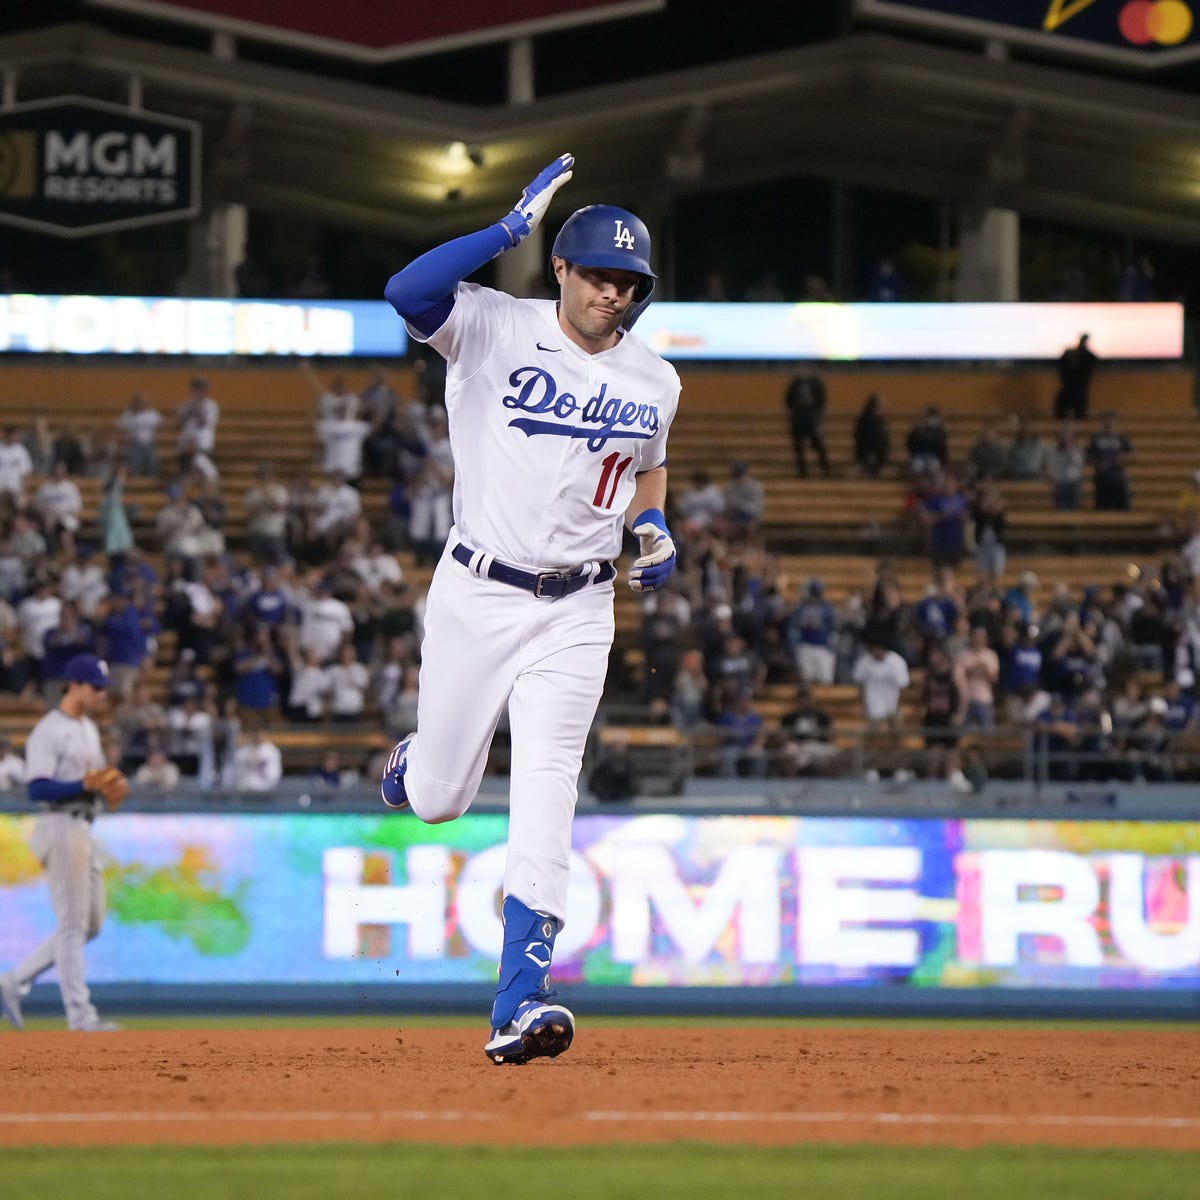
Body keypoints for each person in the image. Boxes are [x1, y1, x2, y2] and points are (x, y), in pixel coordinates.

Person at [378, 153, 679, 1065]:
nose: (612, 295)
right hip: (477, 589)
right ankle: (416, 762)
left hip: (580, 606)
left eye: (628, 282)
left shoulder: (655, 379)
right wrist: (507, 229)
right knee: (437, 802)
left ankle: (521, 998)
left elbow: (648, 462)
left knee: (549, 787)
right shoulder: (489, 324)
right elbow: (405, 288)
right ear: (560, 269)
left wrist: (654, 523)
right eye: (596, 274)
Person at [0, 654, 123, 1032]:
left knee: (92, 924)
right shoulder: (49, 730)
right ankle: (79, 1014)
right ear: (74, 684)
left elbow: (95, 780)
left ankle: (13, 980)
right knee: (72, 923)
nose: (101, 694)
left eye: (103, 688)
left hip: (83, 826)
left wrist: (106, 787)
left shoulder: (87, 727)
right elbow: (36, 786)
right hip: (58, 823)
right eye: (95, 686)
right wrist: (81, 786)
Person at [783, 366, 830, 477]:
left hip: (812, 420)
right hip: (798, 420)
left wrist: (818, 417)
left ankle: (826, 469)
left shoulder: (816, 384)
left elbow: (822, 401)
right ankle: (803, 471)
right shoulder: (795, 384)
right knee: (799, 448)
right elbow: (788, 400)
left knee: (818, 445)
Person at [1087, 411, 1133, 511]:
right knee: (1102, 508)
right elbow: (1088, 456)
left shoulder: (1122, 438)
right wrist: (1097, 463)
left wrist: (1122, 458)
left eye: (1111, 423)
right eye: (1106, 423)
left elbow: (1131, 454)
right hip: (1102, 478)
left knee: (1123, 508)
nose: (1109, 425)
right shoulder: (1096, 438)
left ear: (1116, 424)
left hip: (1118, 478)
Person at [1055, 333, 1097, 421]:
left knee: (1079, 414)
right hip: (1071, 389)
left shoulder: (1088, 357)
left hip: (1078, 390)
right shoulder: (1070, 354)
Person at [853, 393, 889, 477]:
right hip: (869, 456)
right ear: (875, 406)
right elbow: (863, 439)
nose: (885, 408)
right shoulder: (866, 419)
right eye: (883, 405)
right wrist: (870, 454)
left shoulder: (881, 420)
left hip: (878, 457)